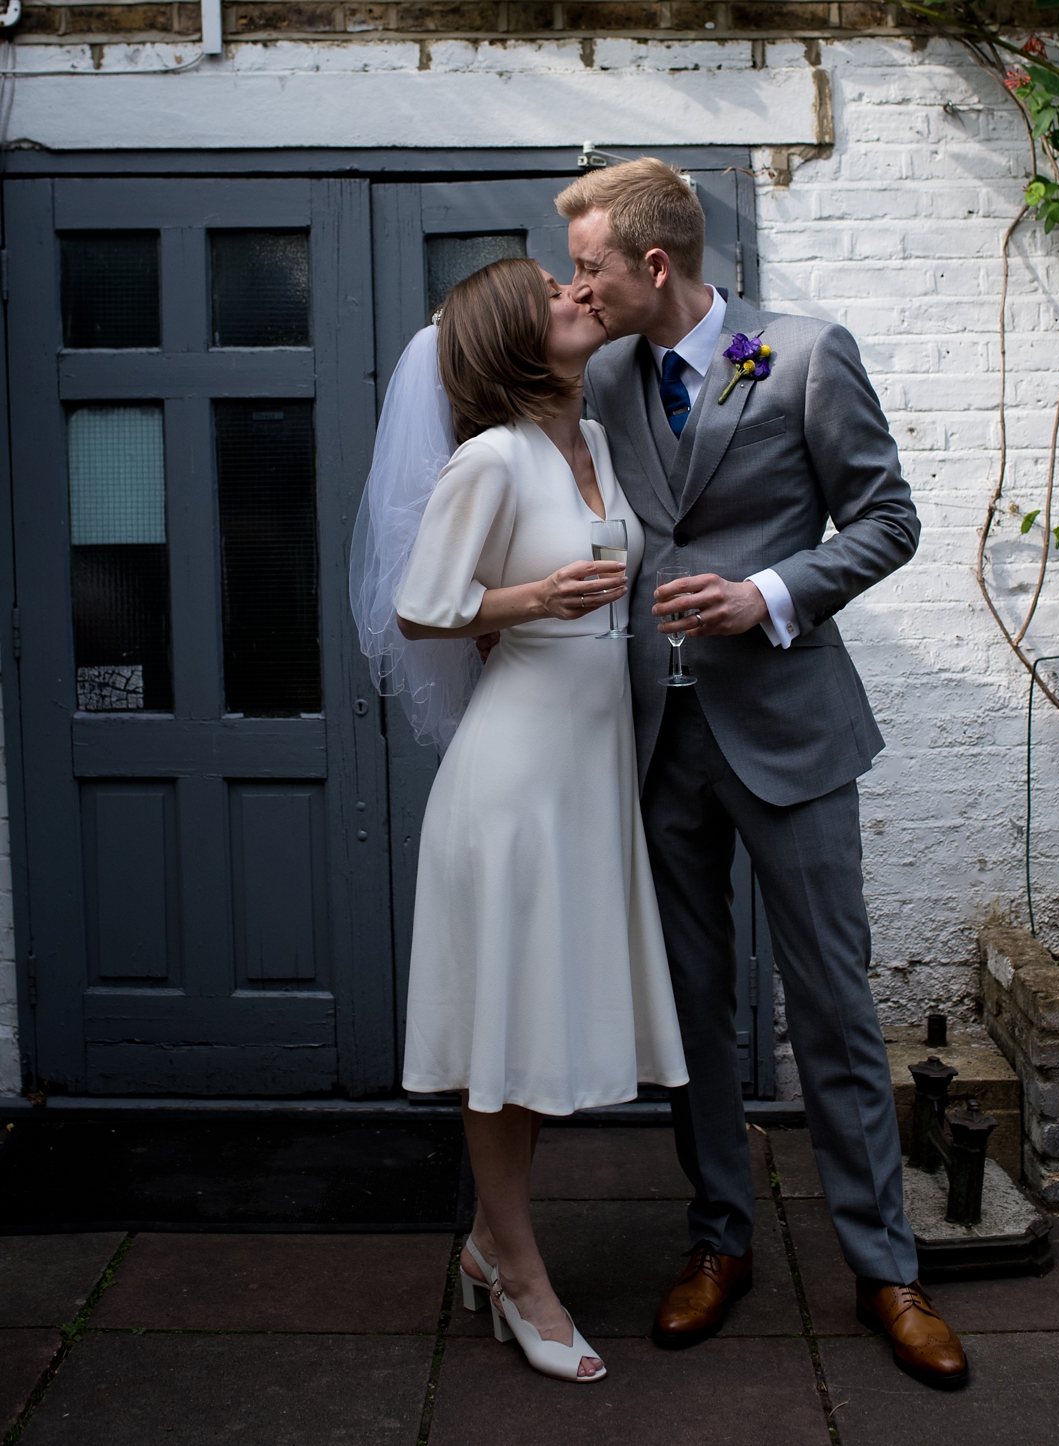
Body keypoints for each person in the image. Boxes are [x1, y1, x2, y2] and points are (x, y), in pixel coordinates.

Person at [559, 158, 969, 1391]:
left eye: (588, 264)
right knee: (691, 1010)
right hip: (656, 740)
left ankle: (885, 1266)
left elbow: (888, 519)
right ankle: (719, 1238)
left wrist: (768, 593)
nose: (575, 284)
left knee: (833, 1004)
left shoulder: (802, 354)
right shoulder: (609, 372)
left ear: (655, 264)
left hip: (788, 728)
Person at [350, 256, 687, 1386]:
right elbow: (421, 605)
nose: (576, 295)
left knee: (535, 1030)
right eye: (553, 294)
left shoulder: (588, 441)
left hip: (585, 779)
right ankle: (521, 1271)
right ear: (511, 339)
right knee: (501, 1043)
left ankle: (492, 1245)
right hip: (511, 785)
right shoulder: (488, 459)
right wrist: (534, 600)